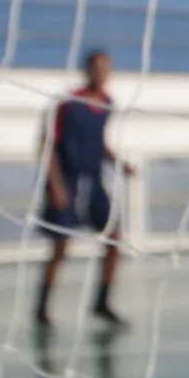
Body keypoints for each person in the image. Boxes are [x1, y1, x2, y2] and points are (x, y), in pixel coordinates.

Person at [34, 47, 130, 330]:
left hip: (94, 181)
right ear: (87, 70)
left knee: (114, 239)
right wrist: (55, 185)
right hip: (67, 182)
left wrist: (120, 163)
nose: (101, 73)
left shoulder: (108, 103)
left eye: (106, 68)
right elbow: (46, 144)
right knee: (61, 246)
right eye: (96, 67)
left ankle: (102, 302)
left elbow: (99, 143)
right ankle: (41, 309)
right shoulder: (68, 103)